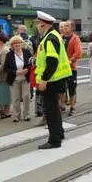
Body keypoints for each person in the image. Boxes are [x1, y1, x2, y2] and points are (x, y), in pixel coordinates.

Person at [34, 11, 72, 149]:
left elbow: (52, 61)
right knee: (54, 108)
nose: (36, 26)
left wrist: (44, 79)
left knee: (50, 110)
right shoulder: (53, 36)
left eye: (37, 23)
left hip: (51, 80)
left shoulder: (49, 38)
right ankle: (59, 133)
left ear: (43, 24)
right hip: (56, 78)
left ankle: (54, 140)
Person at [4, 35, 33, 122]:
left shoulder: (27, 52)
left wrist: (27, 70)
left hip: (25, 78)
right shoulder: (9, 55)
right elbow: (6, 68)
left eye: (19, 42)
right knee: (15, 98)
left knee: (26, 96)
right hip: (14, 79)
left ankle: (27, 114)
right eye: (15, 43)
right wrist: (15, 72)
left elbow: (31, 63)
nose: (17, 44)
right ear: (12, 45)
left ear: (22, 43)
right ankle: (17, 115)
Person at [60, 20, 82, 116]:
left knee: (71, 88)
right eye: (64, 26)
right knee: (60, 88)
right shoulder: (60, 37)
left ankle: (72, 107)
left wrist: (71, 60)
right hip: (60, 68)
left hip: (70, 68)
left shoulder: (75, 39)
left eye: (67, 26)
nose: (64, 28)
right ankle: (62, 105)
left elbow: (78, 53)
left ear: (72, 28)